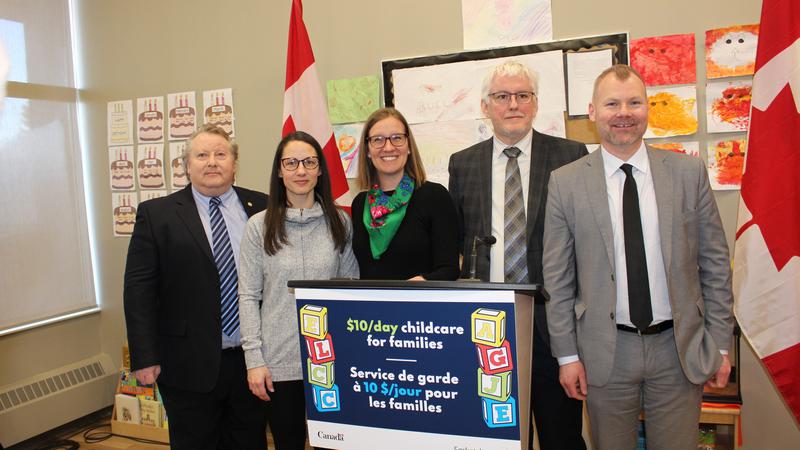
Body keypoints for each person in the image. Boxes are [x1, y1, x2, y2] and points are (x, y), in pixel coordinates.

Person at [543, 64, 733, 450]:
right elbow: (558, 279)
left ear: (648, 108)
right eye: (612, 103)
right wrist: (566, 356)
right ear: (592, 111)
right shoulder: (566, 183)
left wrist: (720, 344)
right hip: (605, 352)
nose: (624, 113)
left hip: (678, 349)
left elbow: (715, 264)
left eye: (634, 102)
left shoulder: (688, 173)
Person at [448, 60, 588, 450]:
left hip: (552, 324)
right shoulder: (463, 163)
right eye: (502, 96)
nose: (513, 104)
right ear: (485, 106)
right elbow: (459, 240)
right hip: (487, 324)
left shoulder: (570, 155)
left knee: (562, 436)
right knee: (499, 438)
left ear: (535, 103)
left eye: (522, 95)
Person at [123, 124, 269, 449]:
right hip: (186, 362)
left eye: (221, 154)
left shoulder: (263, 207)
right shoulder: (157, 214)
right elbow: (139, 290)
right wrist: (144, 356)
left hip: (252, 360)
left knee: (250, 441)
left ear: (234, 163)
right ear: (187, 165)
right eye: (202, 155)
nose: (212, 162)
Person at [238, 131, 359, 449]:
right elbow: (248, 296)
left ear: (320, 170)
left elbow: (349, 289)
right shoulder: (259, 226)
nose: (301, 170)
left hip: (330, 358)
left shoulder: (340, 223)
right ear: (279, 171)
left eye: (309, 162)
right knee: (287, 442)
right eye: (291, 163)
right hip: (278, 362)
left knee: (334, 444)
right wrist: (254, 360)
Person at [352, 107, 459, 280]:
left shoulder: (435, 196)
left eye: (397, 138)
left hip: (419, 297)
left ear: (408, 146)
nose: (388, 147)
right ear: (368, 150)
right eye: (378, 140)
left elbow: (449, 269)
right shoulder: (360, 204)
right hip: (371, 298)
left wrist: (421, 282)